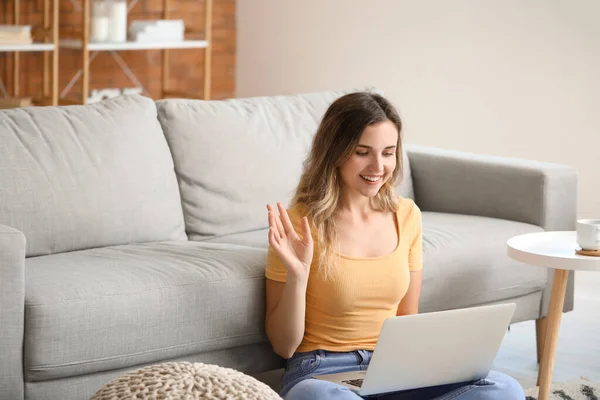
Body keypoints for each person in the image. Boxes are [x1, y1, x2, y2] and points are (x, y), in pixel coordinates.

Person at [264, 92, 525, 400]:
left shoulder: (406, 215)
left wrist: (427, 365)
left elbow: (406, 319)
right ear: (335, 151)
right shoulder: (298, 224)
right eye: (363, 152)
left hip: (394, 369)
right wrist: (298, 275)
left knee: (503, 389)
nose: (378, 166)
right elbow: (284, 346)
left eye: (388, 153)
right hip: (322, 372)